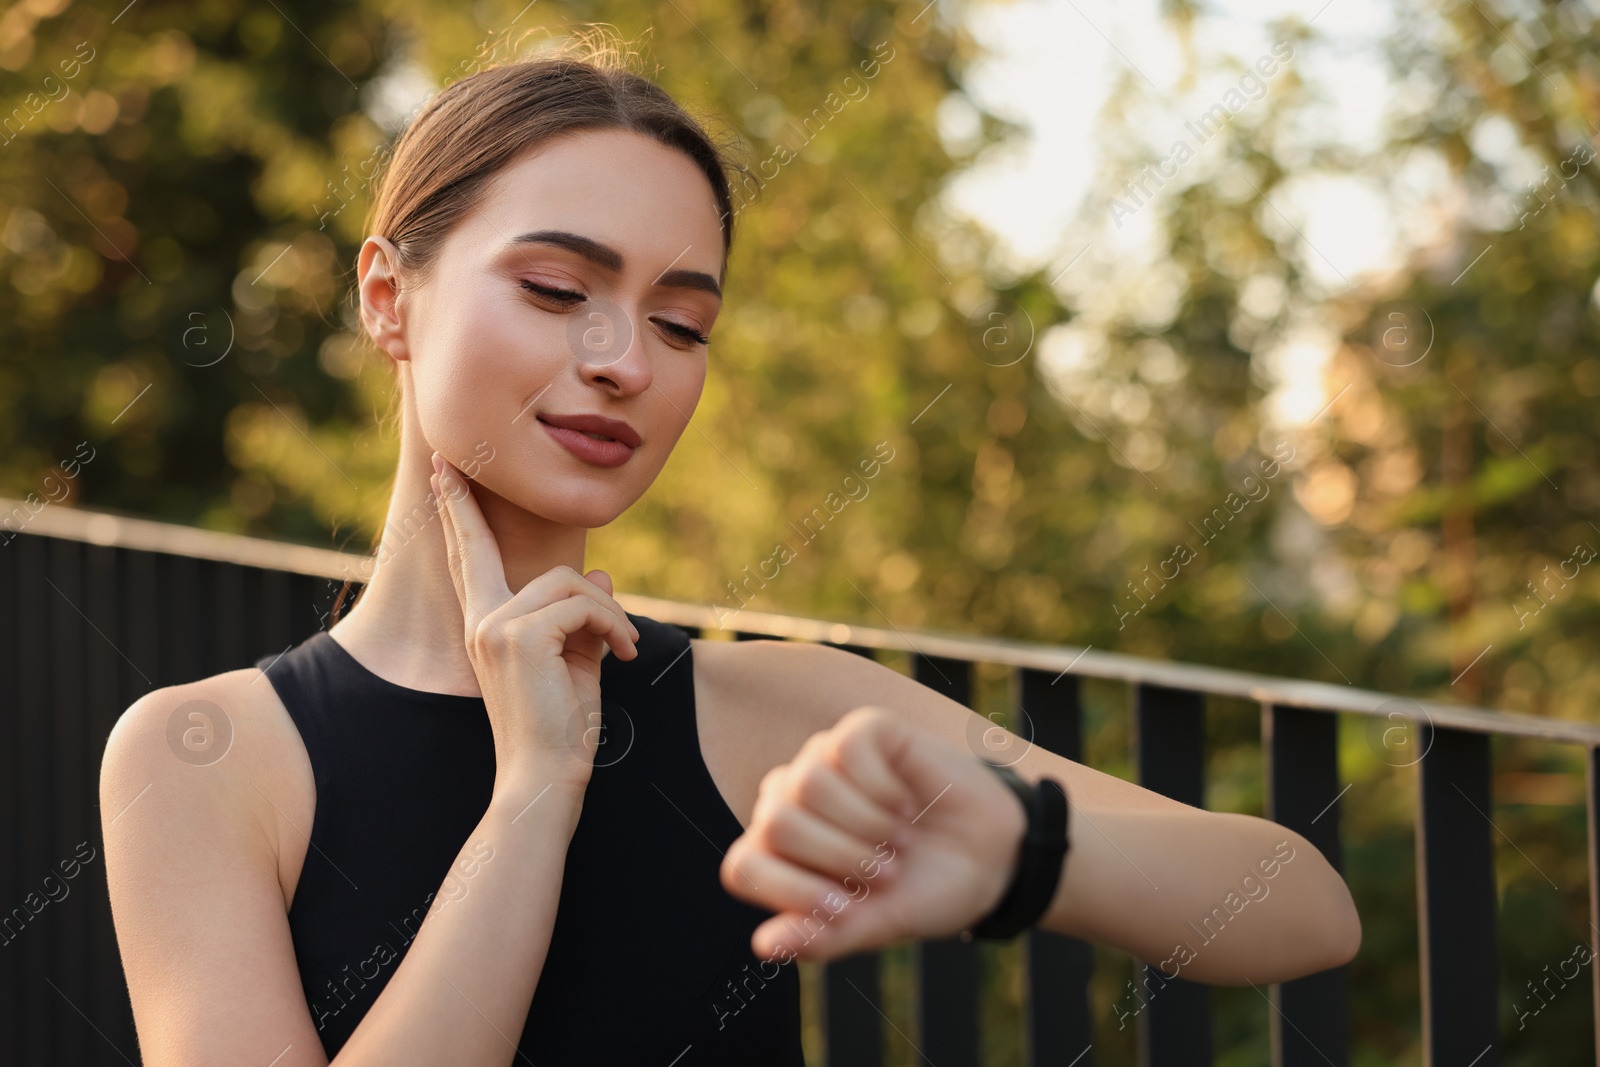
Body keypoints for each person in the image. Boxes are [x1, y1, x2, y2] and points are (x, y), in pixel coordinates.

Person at [98, 35, 1360, 1067]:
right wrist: (536, 789)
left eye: (681, 319)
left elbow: (1302, 904)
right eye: (553, 289)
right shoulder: (204, 755)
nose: (624, 361)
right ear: (388, 296)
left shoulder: (775, 709)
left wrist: (1027, 845)